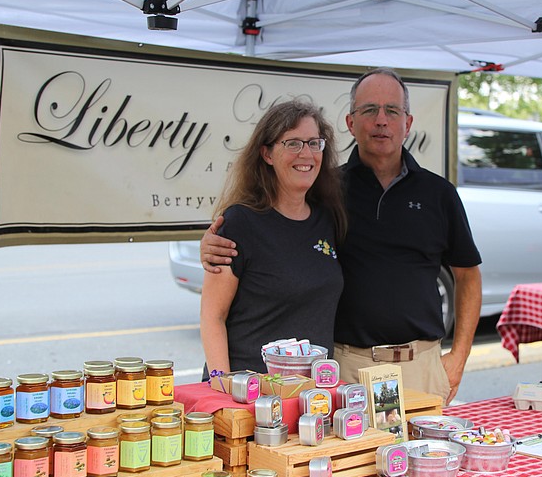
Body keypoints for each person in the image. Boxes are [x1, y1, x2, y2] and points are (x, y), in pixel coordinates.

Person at [201, 68, 482, 404]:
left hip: (420, 366)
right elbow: (272, 221)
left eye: (392, 111)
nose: (381, 120)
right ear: (351, 123)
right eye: (369, 110)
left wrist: (459, 357)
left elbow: (468, 277)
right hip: (345, 371)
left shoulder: (439, 194)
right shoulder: (328, 192)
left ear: (408, 124)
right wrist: (211, 242)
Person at [200, 99, 346, 376]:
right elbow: (212, 317)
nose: (306, 153)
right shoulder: (239, 222)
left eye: (314, 143)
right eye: (293, 143)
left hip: (307, 396)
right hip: (249, 392)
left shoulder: (328, 219)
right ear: (266, 154)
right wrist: (223, 387)